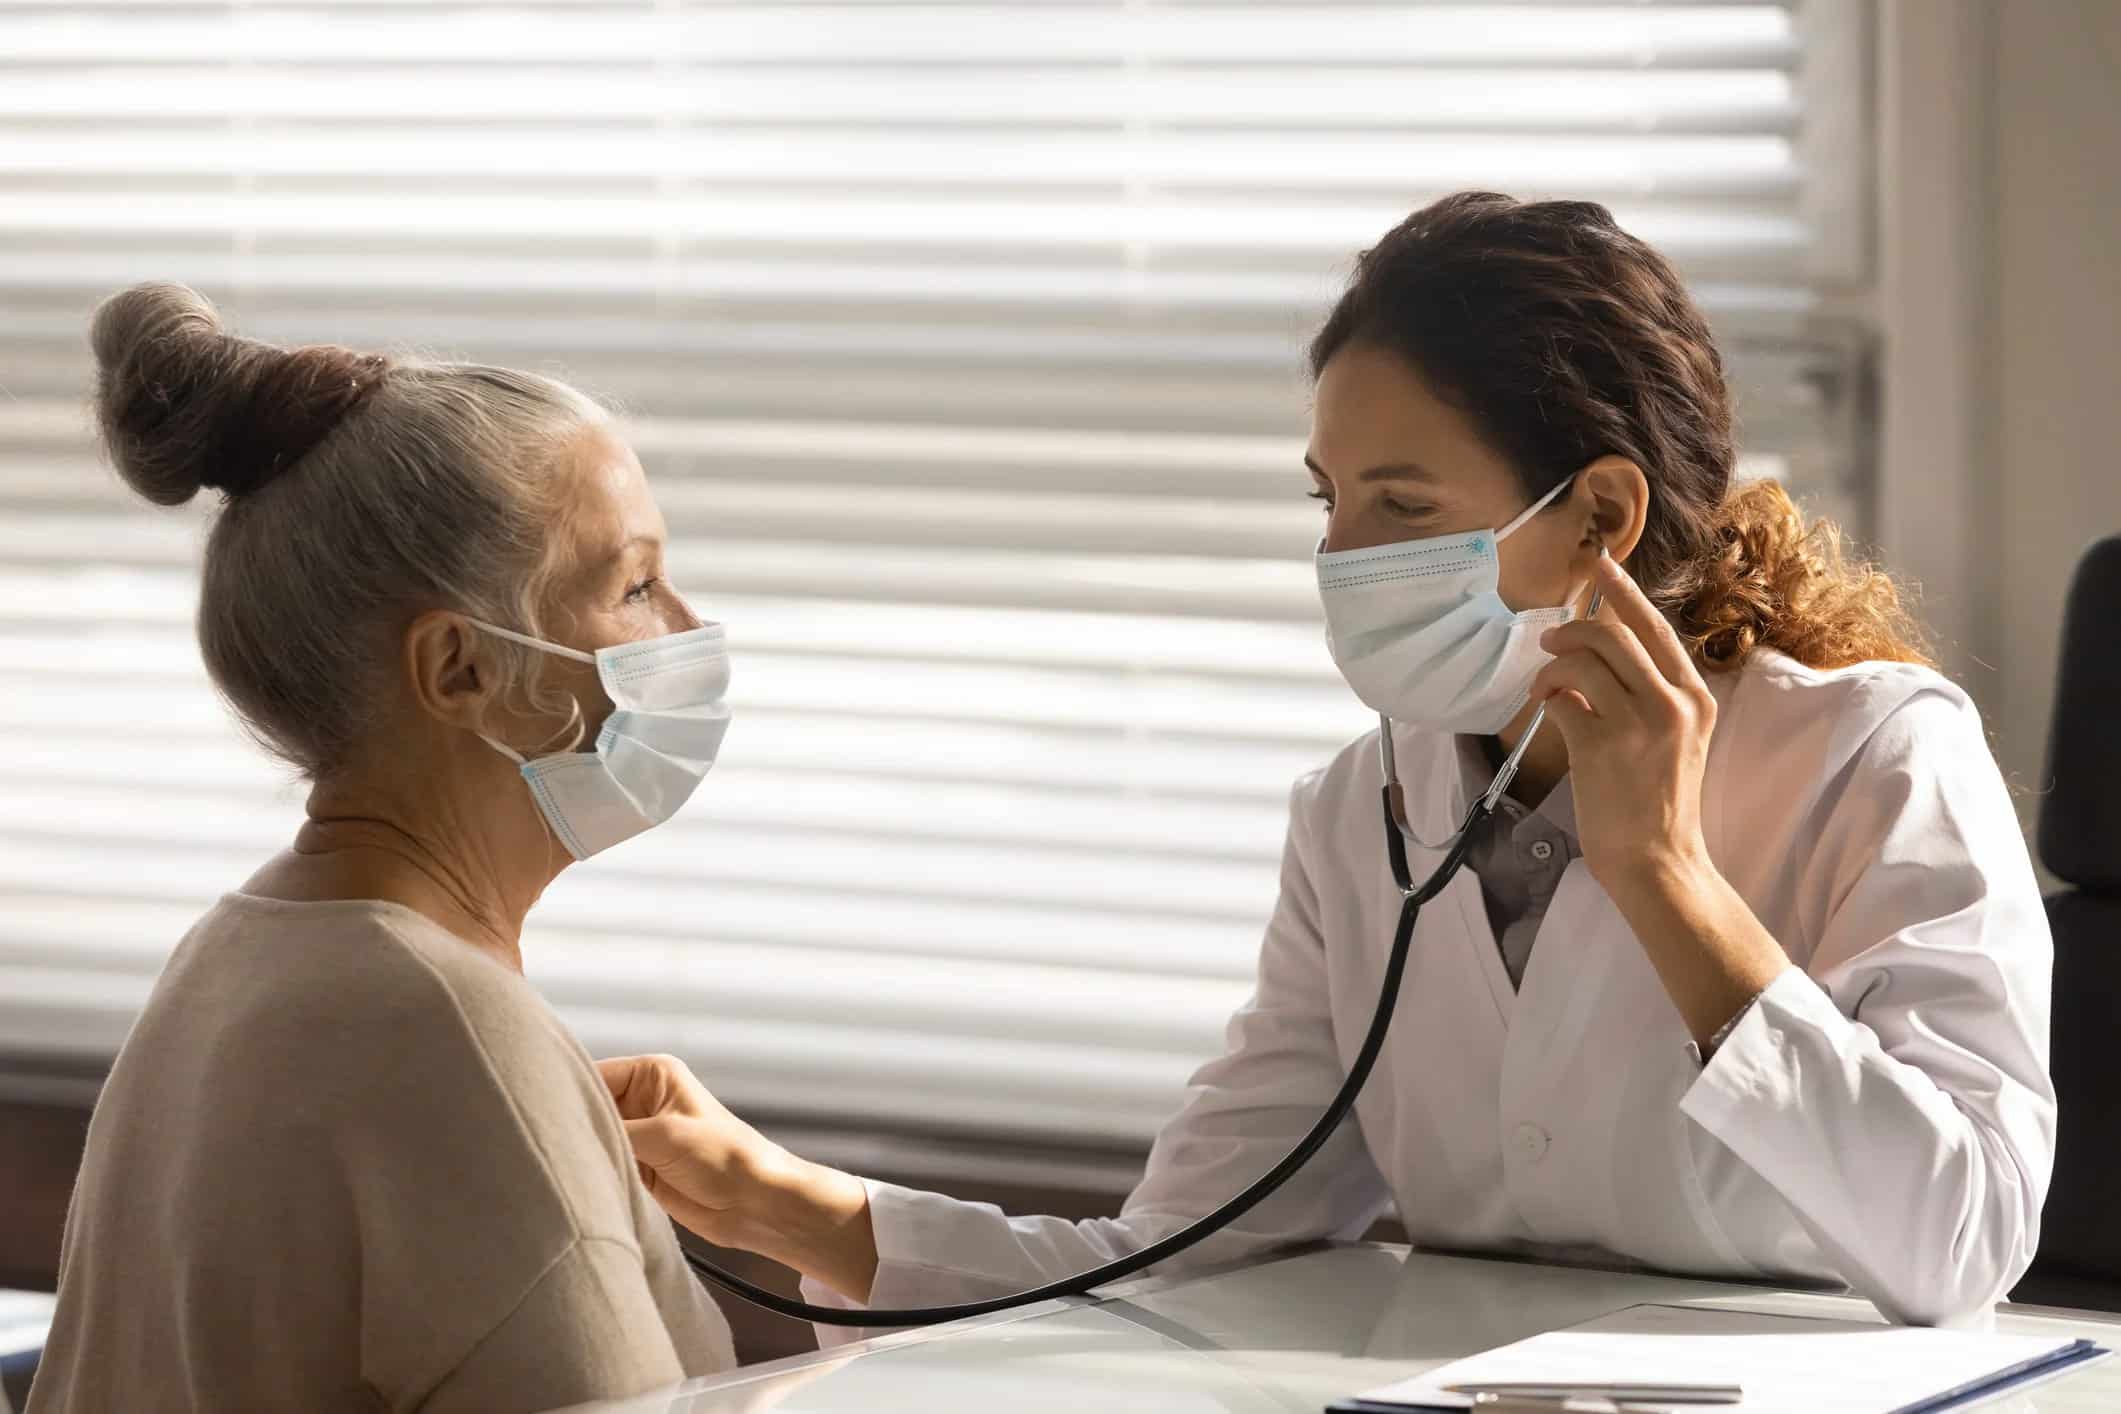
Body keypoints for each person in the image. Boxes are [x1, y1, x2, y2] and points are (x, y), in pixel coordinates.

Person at [598, 193, 2056, 1331]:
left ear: (1600, 514)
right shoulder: (1363, 809)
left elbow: (1964, 1244)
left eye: (1401, 500)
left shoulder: (1873, 758)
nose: (1340, 554)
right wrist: (784, 1201)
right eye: (1332, 499)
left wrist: (1667, 879)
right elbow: (1178, 1262)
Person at [30, 284, 735, 1412]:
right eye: (635, 585)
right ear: (460, 668)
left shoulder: (235, 958)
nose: (691, 631)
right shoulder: (448, 1032)